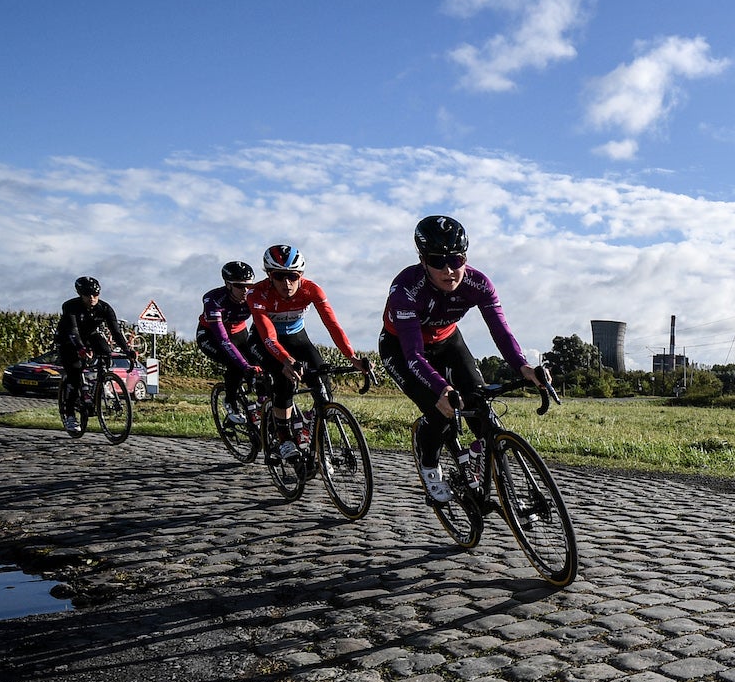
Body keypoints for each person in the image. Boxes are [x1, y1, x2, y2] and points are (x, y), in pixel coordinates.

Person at [379, 215, 541, 503]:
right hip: (402, 348)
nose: (449, 270)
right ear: (422, 259)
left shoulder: (479, 284)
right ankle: (429, 464)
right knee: (440, 412)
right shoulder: (405, 289)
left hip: (447, 341)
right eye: (437, 261)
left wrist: (523, 366)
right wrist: (442, 389)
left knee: (479, 404)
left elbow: (501, 332)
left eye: (456, 259)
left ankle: (478, 459)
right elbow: (413, 354)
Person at [244, 244, 371, 459]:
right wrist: (285, 360)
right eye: (279, 276)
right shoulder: (257, 293)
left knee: (323, 383)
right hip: (263, 341)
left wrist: (352, 357)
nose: (287, 283)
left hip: (297, 338)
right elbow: (268, 336)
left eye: (293, 277)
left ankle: (307, 427)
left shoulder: (311, 289)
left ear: (300, 274)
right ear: (268, 275)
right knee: (283, 379)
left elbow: (333, 325)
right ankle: (283, 437)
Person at [56, 276, 137, 435]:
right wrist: (80, 348)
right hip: (67, 339)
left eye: (95, 294)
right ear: (80, 294)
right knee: (75, 371)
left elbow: (116, 332)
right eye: (87, 295)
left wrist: (128, 351)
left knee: (106, 352)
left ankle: (102, 382)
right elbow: (73, 331)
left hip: (89, 335)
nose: (92, 298)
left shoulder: (104, 308)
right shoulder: (70, 306)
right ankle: (70, 413)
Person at [194, 261, 261, 417]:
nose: (245, 290)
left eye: (249, 286)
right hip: (211, 336)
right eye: (239, 286)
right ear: (228, 284)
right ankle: (230, 401)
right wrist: (245, 366)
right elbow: (224, 340)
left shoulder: (253, 296)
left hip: (239, 332)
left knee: (260, 361)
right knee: (236, 364)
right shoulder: (214, 299)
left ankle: (261, 404)